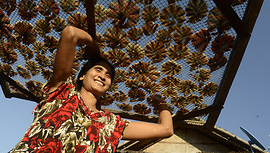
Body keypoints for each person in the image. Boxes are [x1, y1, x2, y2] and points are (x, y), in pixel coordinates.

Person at [10, 26, 173, 152]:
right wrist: (93, 46)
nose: (103, 76)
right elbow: (70, 33)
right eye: (98, 69)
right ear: (82, 76)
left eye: (108, 75)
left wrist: (162, 106)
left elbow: (166, 129)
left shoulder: (112, 124)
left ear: (108, 86)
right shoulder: (62, 95)